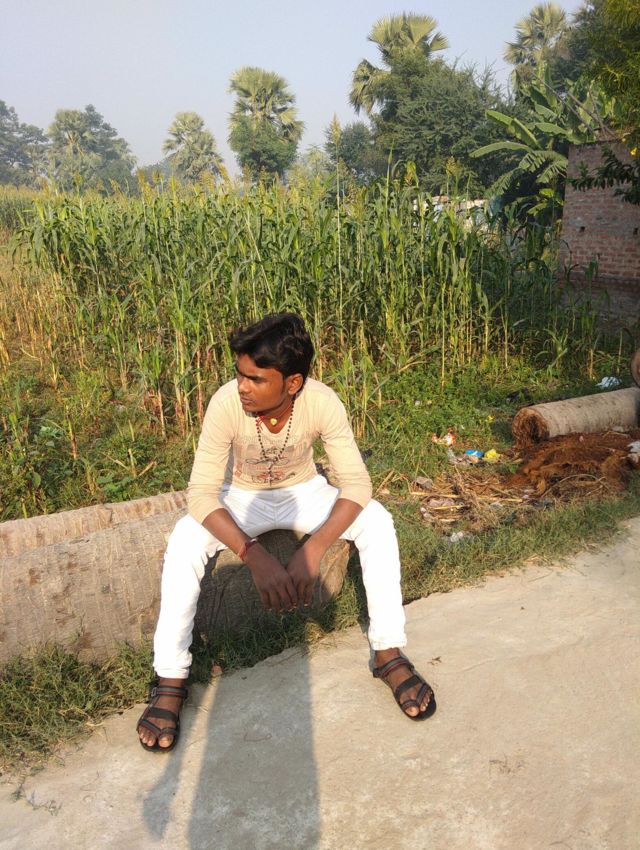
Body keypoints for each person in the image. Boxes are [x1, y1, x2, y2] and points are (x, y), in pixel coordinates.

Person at [137, 313, 435, 752]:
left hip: (304, 491)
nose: (242, 387)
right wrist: (254, 555)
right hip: (241, 496)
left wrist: (314, 549)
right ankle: (170, 677)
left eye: (256, 379)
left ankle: (388, 651)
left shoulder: (322, 402)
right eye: (240, 375)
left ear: (292, 383)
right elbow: (200, 494)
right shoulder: (225, 404)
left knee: (376, 520)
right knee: (185, 538)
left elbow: (357, 485)